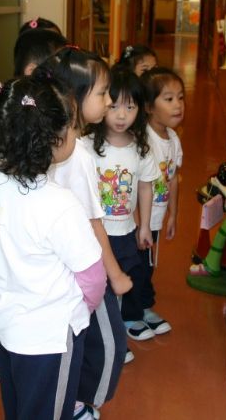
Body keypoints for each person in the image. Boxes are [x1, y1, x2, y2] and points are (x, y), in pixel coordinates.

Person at [0, 77, 106, 420]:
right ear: (56, 139)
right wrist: (80, 310)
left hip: (8, 328)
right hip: (51, 339)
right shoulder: (62, 205)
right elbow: (93, 279)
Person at [36, 46, 129, 419]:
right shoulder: (80, 156)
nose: (108, 102)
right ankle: (77, 402)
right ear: (73, 98)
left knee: (71, 339)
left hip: (54, 271)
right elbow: (93, 224)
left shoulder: (52, 145)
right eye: (102, 93)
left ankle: (69, 399)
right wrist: (115, 274)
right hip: (84, 271)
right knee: (108, 343)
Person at [0, 24, 69, 301]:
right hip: (16, 190)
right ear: (33, 70)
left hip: (33, 191)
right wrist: (4, 187)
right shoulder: (14, 109)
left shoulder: (43, 107)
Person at [82, 68, 157, 363]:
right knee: (96, 286)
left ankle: (114, 334)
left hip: (125, 231)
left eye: (130, 106)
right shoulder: (87, 146)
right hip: (94, 234)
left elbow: (146, 186)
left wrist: (145, 226)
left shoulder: (141, 149)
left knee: (119, 286)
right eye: (114, 106)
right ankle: (102, 340)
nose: (122, 115)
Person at [134, 66, 184, 336]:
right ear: (149, 107)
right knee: (136, 267)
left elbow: (173, 178)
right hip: (138, 220)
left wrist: (173, 214)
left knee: (148, 266)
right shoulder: (142, 139)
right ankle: (130, 315)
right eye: (169, 99)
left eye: (180, 97)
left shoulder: (173, 139)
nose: (178, 105)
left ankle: (142, 307)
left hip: (156, 219)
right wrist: (137, 221)